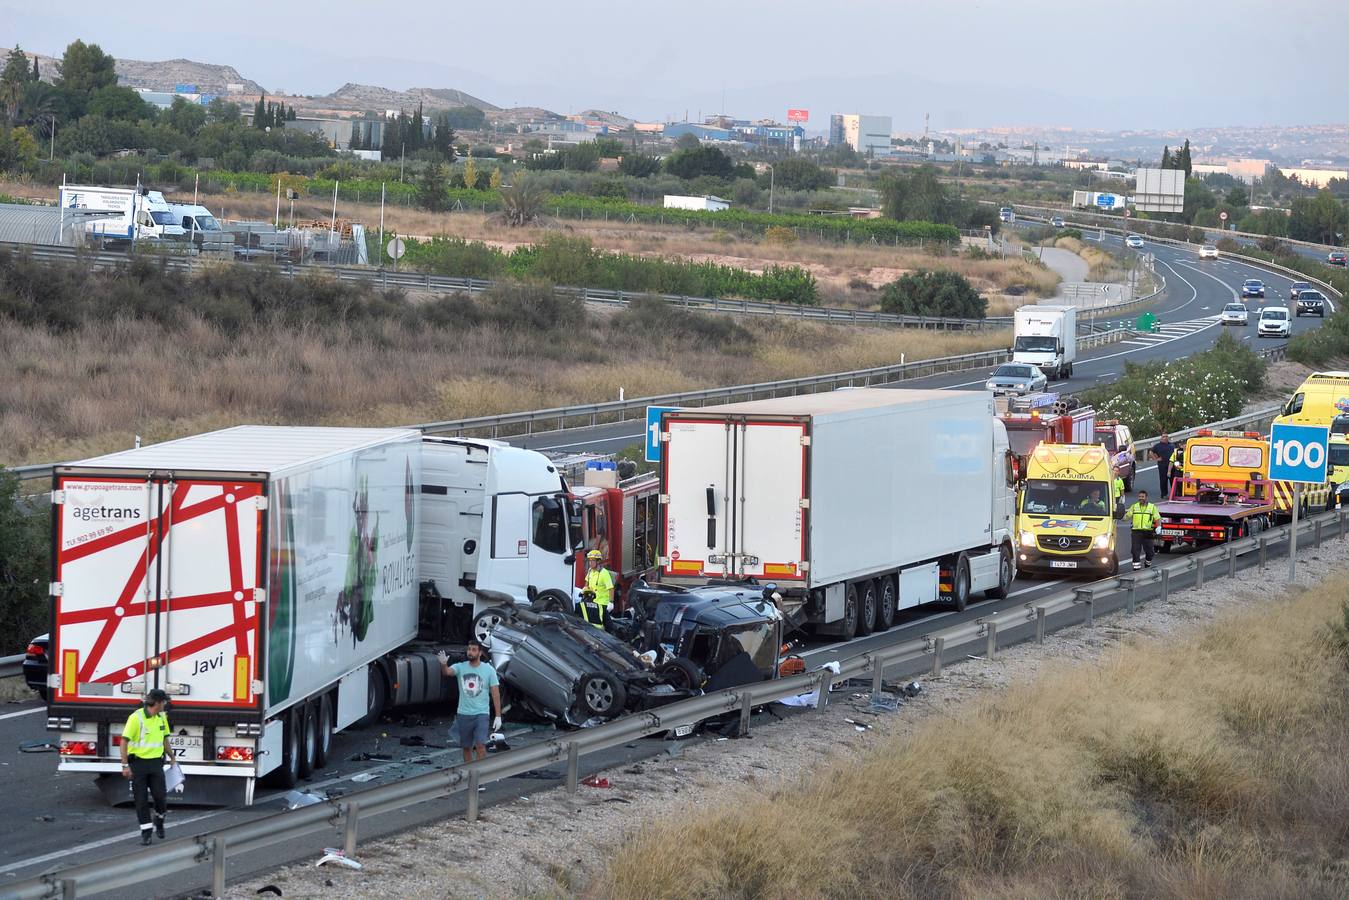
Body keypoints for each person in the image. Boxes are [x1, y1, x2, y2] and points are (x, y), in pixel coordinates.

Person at [120, 688, 177, 845]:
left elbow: (165, 740)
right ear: (158, 703)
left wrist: (172, 756)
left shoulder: (161, 717)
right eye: (164, 701)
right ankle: (146, 832)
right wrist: (125, 765)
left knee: (160, 797)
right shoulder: (136, 718)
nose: (166, 704)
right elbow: (124, 741)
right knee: (141, 800)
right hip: (138, 764)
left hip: (156, 764)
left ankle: (159, 820)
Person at [437, 640, 502, 763]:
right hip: (464, 714)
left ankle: (480, 775)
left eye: (473, 650)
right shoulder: (460, 667)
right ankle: (469, 774)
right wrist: (443, 664)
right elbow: (447, 672)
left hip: (481, 714)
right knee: (466, 747)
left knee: (480, 746)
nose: (470, 652)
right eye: (469, 649)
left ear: (480, 653)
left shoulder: (489, 670)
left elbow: (495, 693)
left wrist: (498, 716)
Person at [1127, 489, 1162, 570]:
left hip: (1148, 532)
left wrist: (1159, 527)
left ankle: (1147, 563)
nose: (1141, 498)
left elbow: (1158, 518)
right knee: (1135, 551)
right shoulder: (1134, 506)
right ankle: (1136, 570)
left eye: (1142, 497)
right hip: (1136, 532)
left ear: (1146, 498)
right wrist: (1118, 515)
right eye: (1139, 497)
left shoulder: (1152, 507)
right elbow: (1126, 516)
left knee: (1150, 552)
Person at [580, 549, 614, 630]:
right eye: (589, 560)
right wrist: (584, 590)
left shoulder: (604, 573)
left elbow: (611, 588)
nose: (590, 563)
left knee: (606, 626)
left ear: (598, 561)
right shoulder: (590, 571)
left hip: (602, 604)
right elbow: (586, 583)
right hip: (592, 602)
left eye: (592, 561)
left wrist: (611, 602)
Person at [1151, 433, 1175, 498]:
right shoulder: (1158, 446)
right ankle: (1164, 494)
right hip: (1162, 465)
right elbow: (1151, 452)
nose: (1165, 437)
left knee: (1173, 480)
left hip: (1172, 465)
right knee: (1163, 480)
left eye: (1166, 436)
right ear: (1161, 438)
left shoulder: (1172, 445)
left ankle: (1174, 493)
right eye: (1164, 436)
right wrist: (1156, 459)